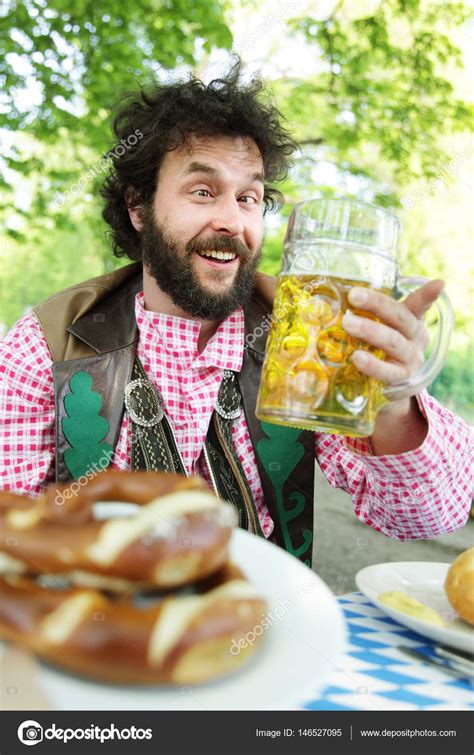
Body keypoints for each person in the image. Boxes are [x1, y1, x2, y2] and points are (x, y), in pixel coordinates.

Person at [0, 63, 472, 566]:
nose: (231, 222)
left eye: (248, 198)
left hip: (266, 631)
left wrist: (394, 405)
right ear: (138, 207)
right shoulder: (45, 346)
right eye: (203, 191)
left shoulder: (304, 343)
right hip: (101, 630)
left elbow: (423, 519)